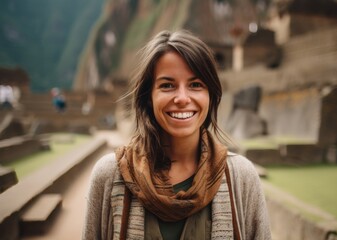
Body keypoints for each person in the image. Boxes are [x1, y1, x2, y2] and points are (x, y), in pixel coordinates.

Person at [82, 30, 272, 240]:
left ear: (211, 95)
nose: (182, 98)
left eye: (195, 85)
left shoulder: (241, 178)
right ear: (148, 97)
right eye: (167, 85)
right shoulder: (109, 176)